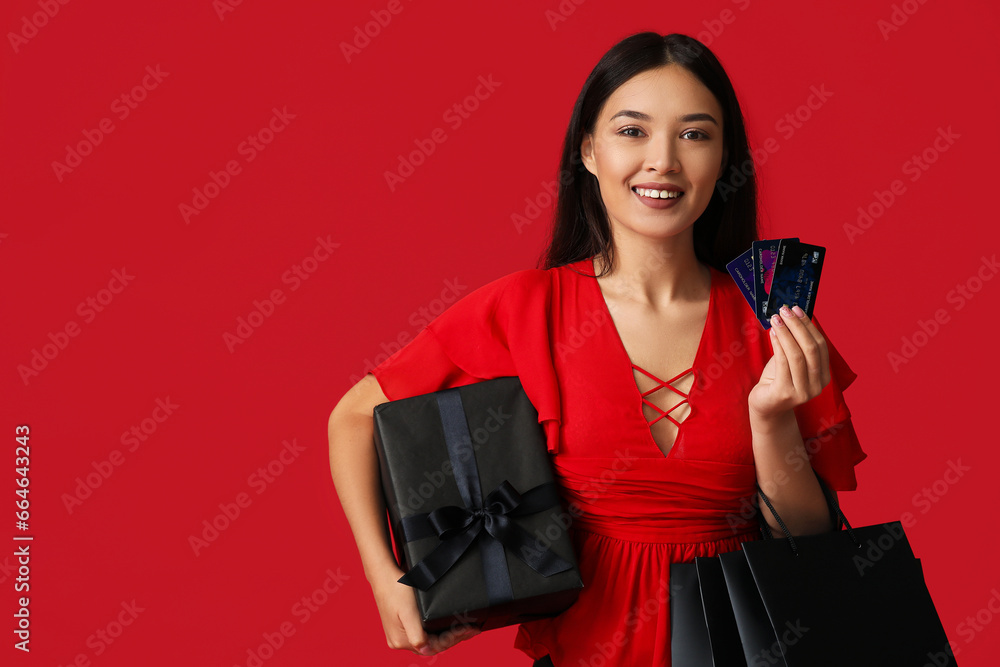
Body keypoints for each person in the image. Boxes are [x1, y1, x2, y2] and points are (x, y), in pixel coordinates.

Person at [328, 31, 866, 666]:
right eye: (632, 131)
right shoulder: (524, 308)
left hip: (747, 650)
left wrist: (771, 418)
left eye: (695, 135)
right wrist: (383, 576)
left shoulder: (773, 320)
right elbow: (354, 416)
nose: (663, 161)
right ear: (588, 151)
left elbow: (808, 545)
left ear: (724, 161)